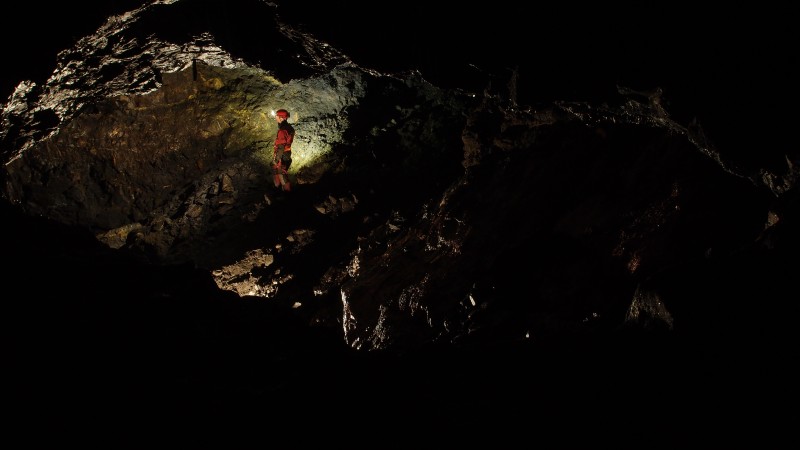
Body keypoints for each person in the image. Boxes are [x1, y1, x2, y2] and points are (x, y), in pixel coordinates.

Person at [272, 109, 294, 192]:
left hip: (282, 153)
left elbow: (281, 146)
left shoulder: (283, 130)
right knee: (278, 170)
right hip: (286, 152)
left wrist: (276, 159)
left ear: (281, 118)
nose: (275, 117)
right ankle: (279, 189)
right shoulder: (289, 127)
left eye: (277, 116)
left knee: (281, 172)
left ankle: (286, 192)